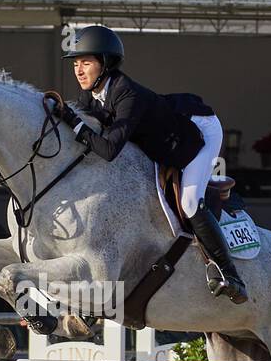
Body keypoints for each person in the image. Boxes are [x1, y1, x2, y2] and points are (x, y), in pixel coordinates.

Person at [54, 25, 246, 304]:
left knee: (191, 201)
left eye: (86, 62)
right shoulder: (91, 95)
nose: (79, 70)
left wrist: (73, 122)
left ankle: (229, 274)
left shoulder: (126, 93)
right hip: (164, 136)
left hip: (199, 129)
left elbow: (107, 151)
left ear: (105, 63)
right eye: (76, 63)